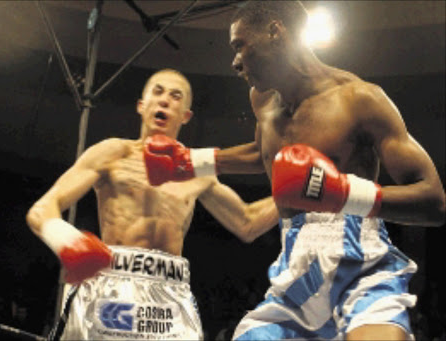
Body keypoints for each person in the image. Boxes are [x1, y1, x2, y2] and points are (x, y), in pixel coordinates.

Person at [142, 1, 446, 340]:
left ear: (275, 31)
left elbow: (434, 201)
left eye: (239, 45)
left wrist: (342, 193)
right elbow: (266, 154)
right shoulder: (262, 100)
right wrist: (190, 162)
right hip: (297, 273)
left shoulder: (359, 99)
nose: (235, 61)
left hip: (363, 268)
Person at [26, 68, 279, 340]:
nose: (164, 100)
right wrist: (69, 241)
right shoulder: (112, 153)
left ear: (186, 115)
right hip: (111, 287)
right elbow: (42, 209)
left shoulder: (197, 170)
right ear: (141, 105)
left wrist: (294, 194)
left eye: (175, 96)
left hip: (169, 298)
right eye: (157, 92)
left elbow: (247, 222)